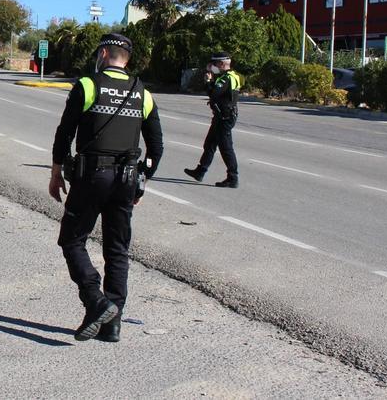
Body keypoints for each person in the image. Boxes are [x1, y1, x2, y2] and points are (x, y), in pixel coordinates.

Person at [49, 33, 163, 343]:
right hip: (126, 179)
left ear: (103, 54)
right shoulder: (143, 92)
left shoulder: (88, 85)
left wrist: (57, 169)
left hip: (91, 177)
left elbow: (65, 132)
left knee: (72, 240)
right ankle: (113, 324)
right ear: (127, 59)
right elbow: (156, 145)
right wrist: (143, 181)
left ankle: (96, 301)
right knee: (117, 250)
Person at [184, 52, 243, 188]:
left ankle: (232, 178)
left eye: (214, 64)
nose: (212, 66)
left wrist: (208, 81)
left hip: (225, 118)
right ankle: (200, 171)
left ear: (221, 64)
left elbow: (214, 94)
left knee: (226, 148)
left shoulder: (226, 78)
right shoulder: (230, 76)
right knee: (210, 144)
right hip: (221, 116)